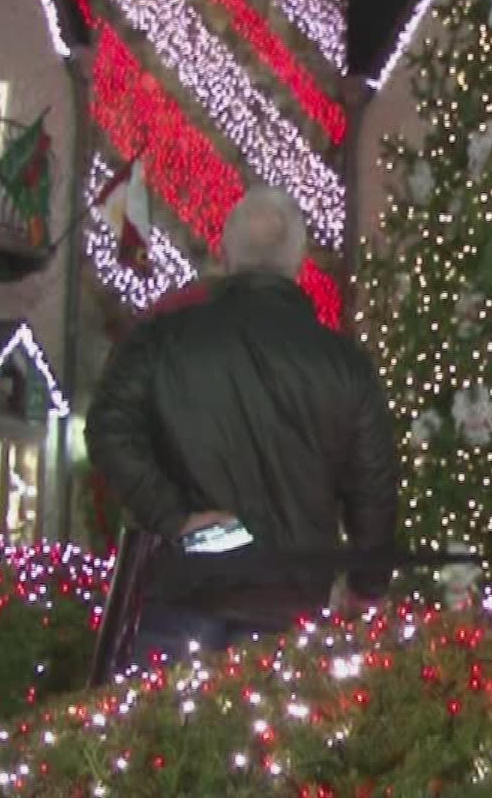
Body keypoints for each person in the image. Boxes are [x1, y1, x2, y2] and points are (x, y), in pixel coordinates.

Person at [85, 188, 399, 662]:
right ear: (299, 262)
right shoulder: (343, 364)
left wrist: (174, 517)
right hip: (291, 602)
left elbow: (109, 429)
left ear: (225, 255)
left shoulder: (161, 341)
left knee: (167, 734)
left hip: (183, 593)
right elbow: (373, 485)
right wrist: (366, 586)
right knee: (279, 736)